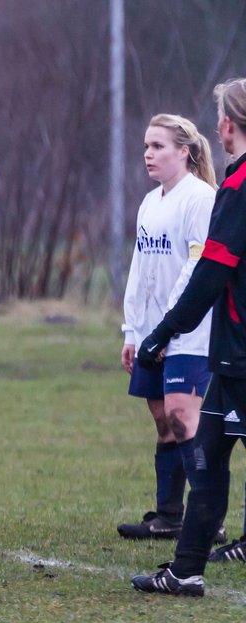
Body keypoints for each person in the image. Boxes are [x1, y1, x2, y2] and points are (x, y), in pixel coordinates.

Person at [132, 78, 246, 596]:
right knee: (208, 450)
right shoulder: (231, 181)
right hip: (229, 356)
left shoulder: (235, 188)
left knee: (206, 445)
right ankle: (185, 569)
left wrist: (164, 330)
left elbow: (208, 274)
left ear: (226, 125)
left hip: (235, 350)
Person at [118, 114, 218, 540]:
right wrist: (132, 331)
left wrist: (166, 328)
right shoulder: (149, 202)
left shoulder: (201, 199)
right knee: (163, 420)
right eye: (145, 146)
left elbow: (198, 267)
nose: (148, 154)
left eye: (158, 146)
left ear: (185, 151)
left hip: (189, 332)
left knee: (182, 414)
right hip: (151, 334)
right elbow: (141, 270)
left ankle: (206, 520)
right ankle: (169, 515)